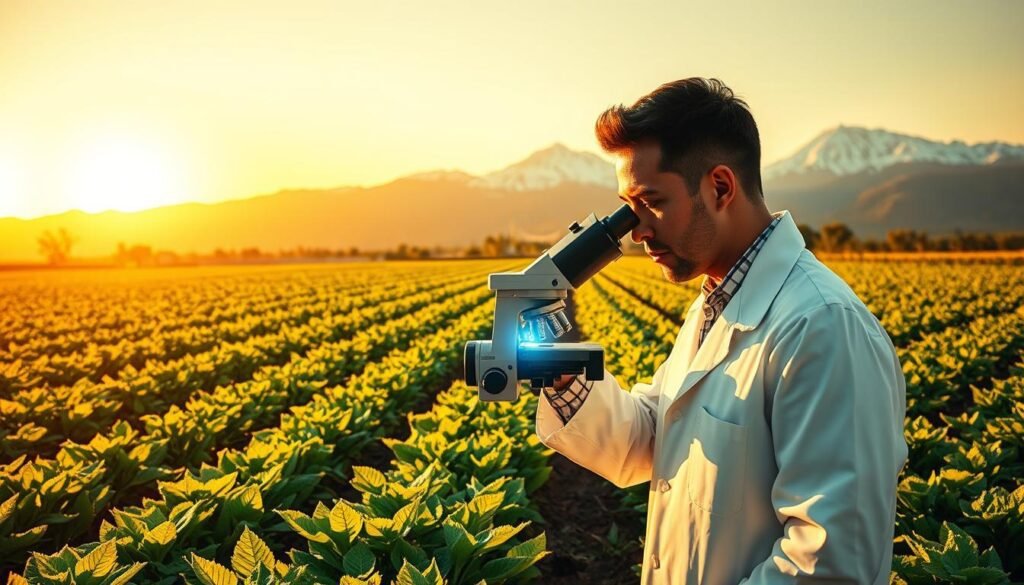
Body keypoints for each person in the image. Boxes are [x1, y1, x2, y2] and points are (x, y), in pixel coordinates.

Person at [537, 78, 908, 584]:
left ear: (719, 187)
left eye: (651, 202)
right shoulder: (716, 303)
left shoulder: (821, 326)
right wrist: (561, 372)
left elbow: (831, 562)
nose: (637, 231)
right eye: (629, 208)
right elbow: (655, 438)